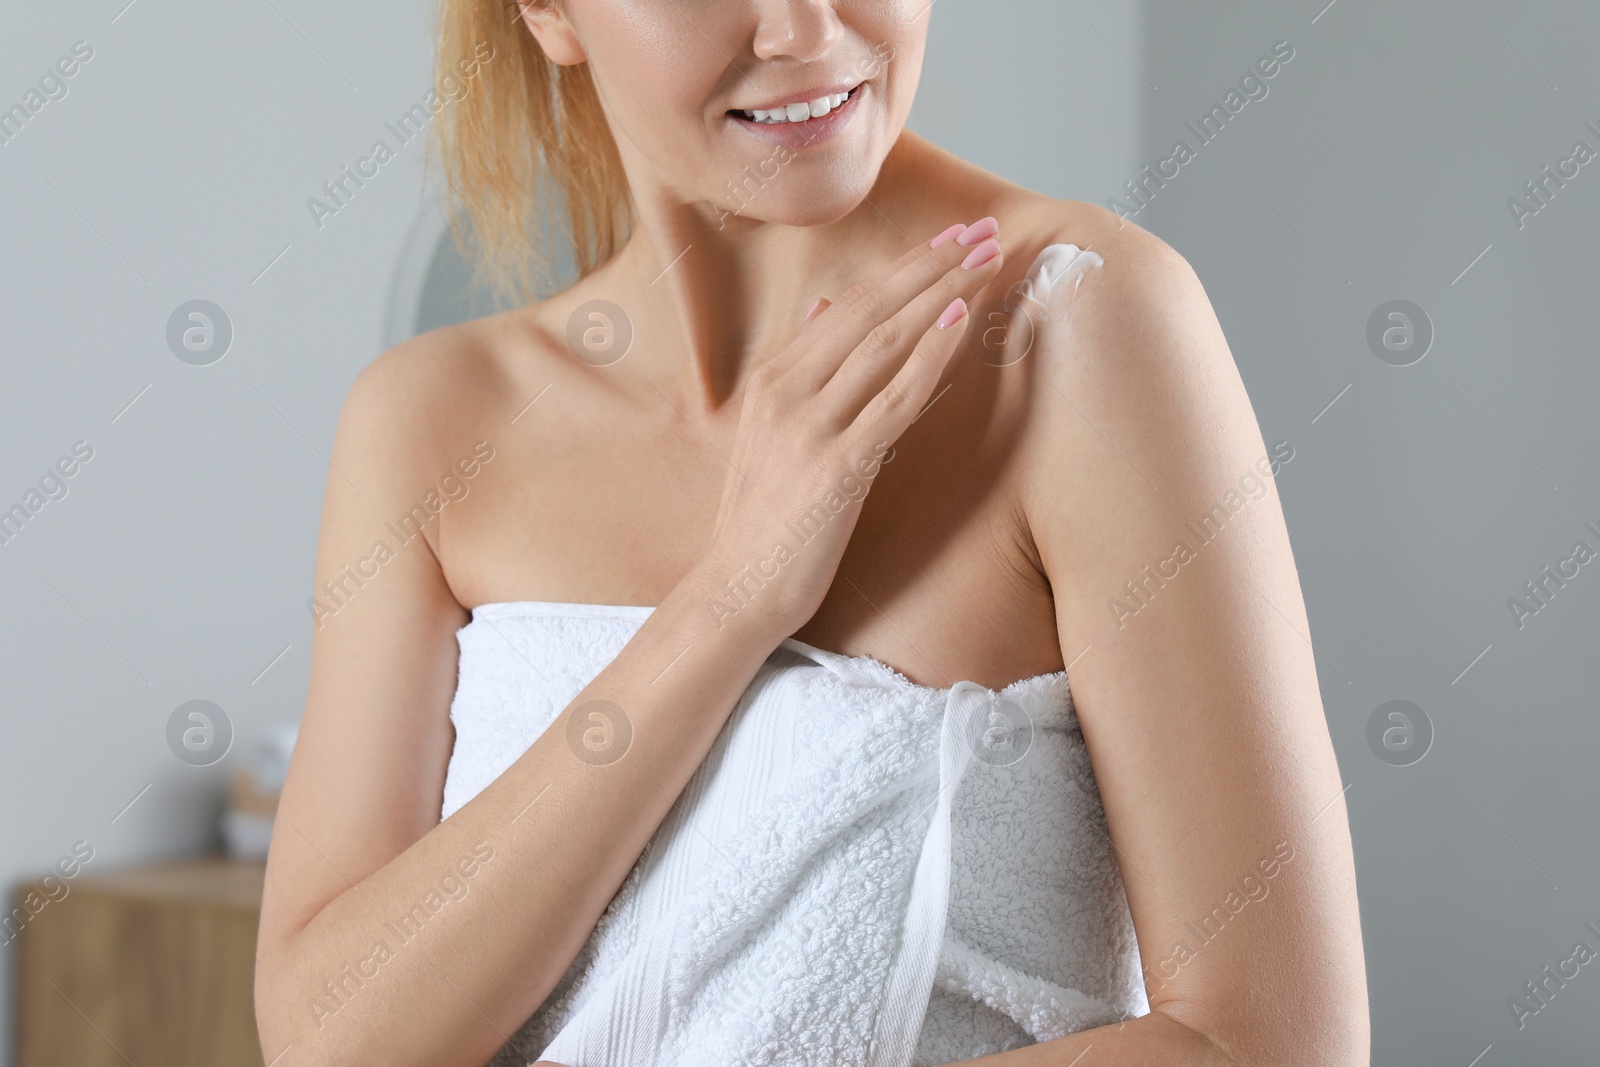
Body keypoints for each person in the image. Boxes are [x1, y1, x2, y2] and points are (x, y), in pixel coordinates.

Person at [254, 3, 1369, 1065]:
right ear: (546, 10)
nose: (807, 30)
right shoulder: (433, 422)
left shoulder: (1074, 324)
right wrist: (730, 600)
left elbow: (1271, 1040)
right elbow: (326, 1039)